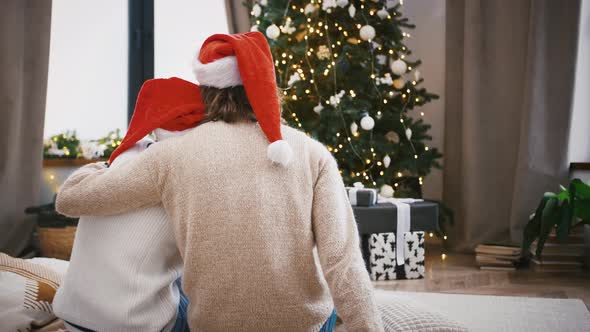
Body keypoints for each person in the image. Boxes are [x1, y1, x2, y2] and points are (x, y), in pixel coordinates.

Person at [56, 32, 383, 331]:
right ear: (269, 85)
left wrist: (105, 165)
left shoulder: (171, 155)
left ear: (206, 89)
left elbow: (69, 200)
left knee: (178, 291)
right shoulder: (313, 154)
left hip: (213, 326)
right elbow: (342, 263)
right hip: (303, 325)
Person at [53, 77, 207, 332]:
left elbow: (68, 197)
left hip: (72, 315)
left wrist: (103, 167)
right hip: (129, 324)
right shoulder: (183, 169)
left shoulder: (128, 154)